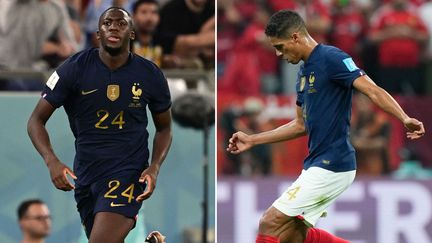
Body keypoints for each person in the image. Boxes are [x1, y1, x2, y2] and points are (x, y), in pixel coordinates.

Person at [227, 10, 425, 243]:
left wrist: (404, 118)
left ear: (295, 37)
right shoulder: (303, 73)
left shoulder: (331, 58)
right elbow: (301, 125)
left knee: (269, 222)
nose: (278, 54)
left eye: (280, 46)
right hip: (317, 163)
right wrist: (253, 139)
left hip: (333, 163)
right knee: (293, 235)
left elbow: (372, 89)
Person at [27, 7, 172, 243]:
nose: (114, 26)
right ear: (98, 32)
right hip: (86, 174)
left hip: (128, 171)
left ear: (132, 34)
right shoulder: (73, 68)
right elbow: (35, 121)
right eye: (107, 23)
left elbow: (164, 128)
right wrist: (51, 161)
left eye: (121, 23)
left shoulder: (150, 75)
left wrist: (154, 167)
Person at [131, 0, 163, 66]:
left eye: (154, 12)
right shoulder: (125, 42)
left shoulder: (165, 41)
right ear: (133, 16)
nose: (149, 18)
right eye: (144, 12)